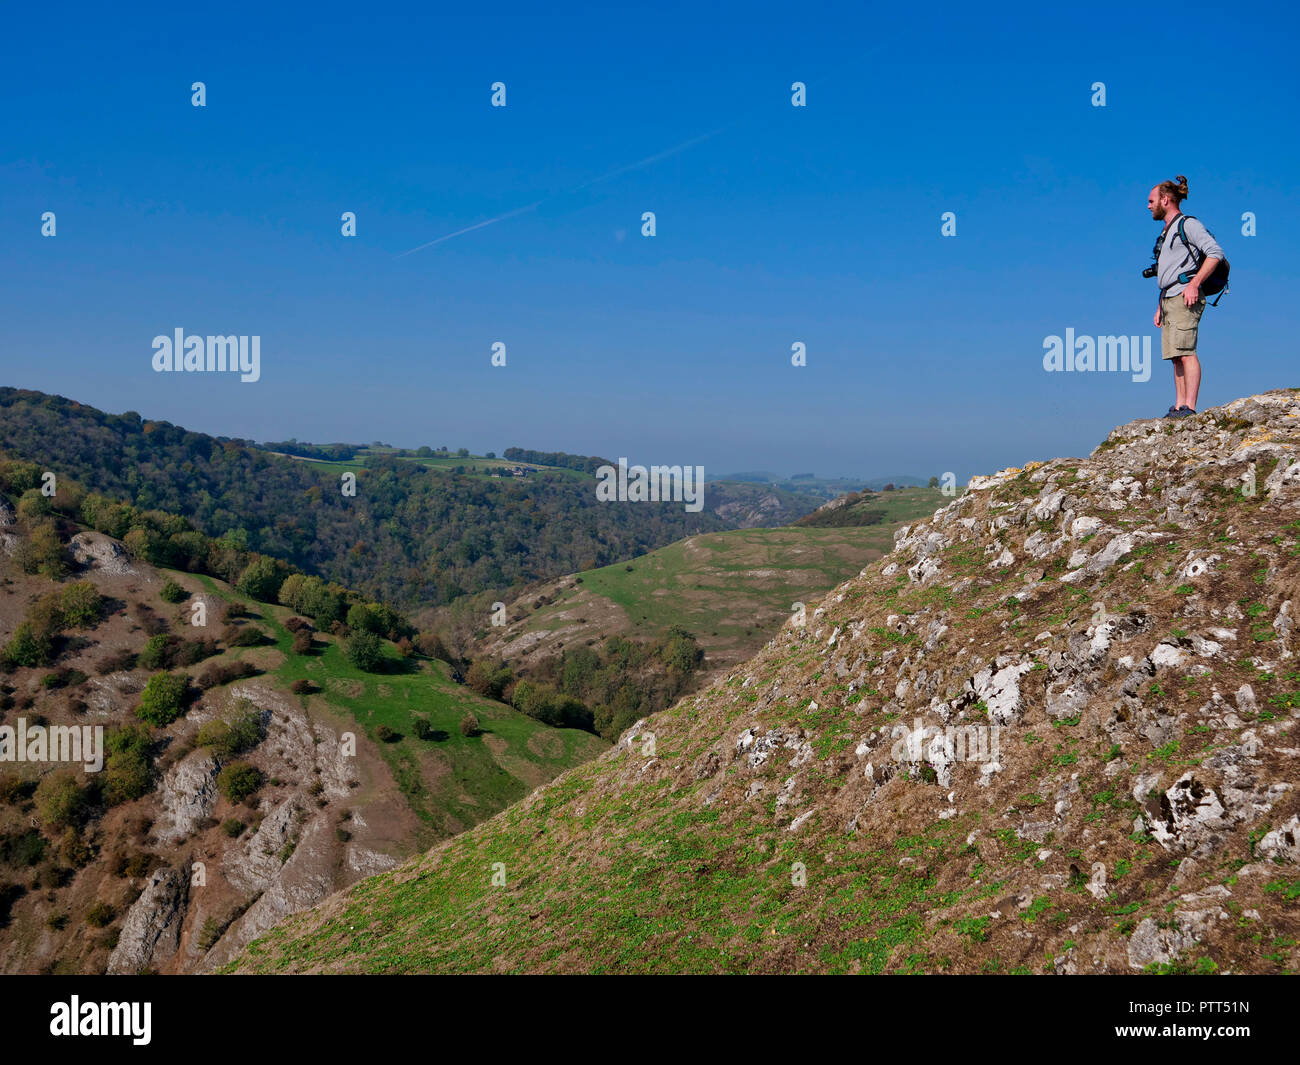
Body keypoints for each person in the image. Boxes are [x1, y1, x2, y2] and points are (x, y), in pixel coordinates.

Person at [1147, 175, 1226, 418]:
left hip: (1185, 295)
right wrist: (1160, 304)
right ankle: (1179, 404)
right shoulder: (1165, 232)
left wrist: (1194, 284)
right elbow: (1168, 271)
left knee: (1186, 351)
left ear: (1165, 199)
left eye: (1151, 201)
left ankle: (1189, 407)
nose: (1148, 206)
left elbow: (1215, 253)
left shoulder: (1188, 224)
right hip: (1169, 297)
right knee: (1175, 355)